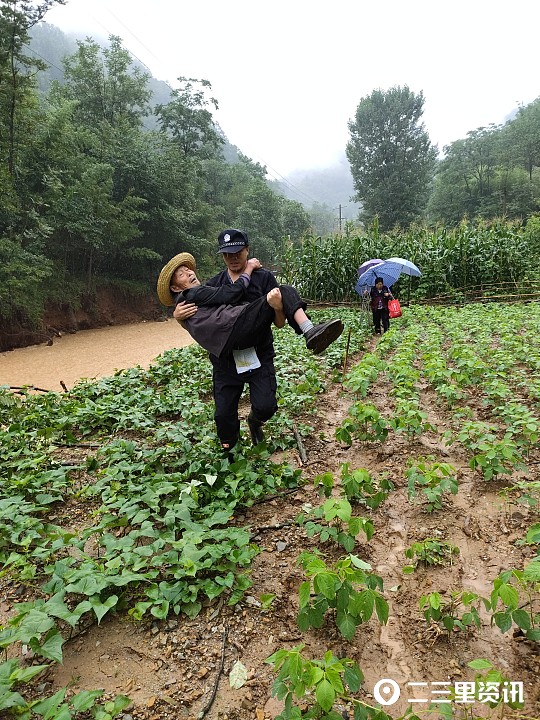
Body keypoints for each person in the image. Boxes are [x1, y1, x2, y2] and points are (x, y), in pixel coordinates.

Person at [160, 236, 343, 452]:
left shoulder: (264, 278)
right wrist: (178, 316)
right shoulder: (214, 283)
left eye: (238, 252)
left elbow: (279, 323)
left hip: (257, 352)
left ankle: (255, 422)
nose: (233, 257)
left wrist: (275, 307)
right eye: (228, 254)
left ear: (247, 250)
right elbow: (201, 321)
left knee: (266, 406)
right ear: (222, 255)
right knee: (223, 416)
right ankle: (231, 449)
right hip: (227, 359)